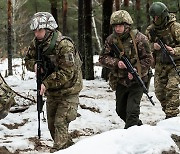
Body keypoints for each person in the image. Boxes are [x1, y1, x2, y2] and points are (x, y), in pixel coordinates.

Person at [24, 12, 83, 152]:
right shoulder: (36, 43)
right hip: (52, 92)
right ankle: (72, 149)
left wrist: (46, 83)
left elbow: (67, 72)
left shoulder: (64, 45)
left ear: (49, 30)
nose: (37, 33)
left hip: (69, 90)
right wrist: (35, 65)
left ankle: (59, 150)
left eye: (40, 30)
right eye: (35, 30)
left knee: (60, 124)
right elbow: (27, 60)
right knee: (52, 127)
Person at [99, 10, 152, 129]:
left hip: (138, 80)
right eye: (115, 26)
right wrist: (117, 63)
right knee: (120, 110)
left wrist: (136, 71)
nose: (117, 29)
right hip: (121, 80)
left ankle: (131, 138)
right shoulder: (111, 40)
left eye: (120, 26)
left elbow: (148, 59)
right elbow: (102, 58)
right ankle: (139, 128)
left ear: (127, 25)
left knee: (132, 112)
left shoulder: (140, 38)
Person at [145, 2, 180, 119]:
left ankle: (172, 115)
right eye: (153, 17)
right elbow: (143, 47)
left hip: (176, 63)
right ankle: (169, 113)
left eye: (157, 17)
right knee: (159, 92)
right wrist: (152, 46)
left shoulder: (175, 28)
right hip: (160, 64)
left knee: (172, 88)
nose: (155, 19)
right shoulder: (150, 30)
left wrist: (174, 50)